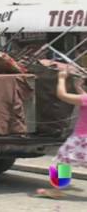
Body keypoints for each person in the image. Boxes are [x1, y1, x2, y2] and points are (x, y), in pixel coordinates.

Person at [36, 69, 87, 198]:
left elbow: (62, 95)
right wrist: (78, 87)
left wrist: (61, 79)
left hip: (81, 139)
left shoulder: (85, 99)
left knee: (61, 162)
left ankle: (57, 190)